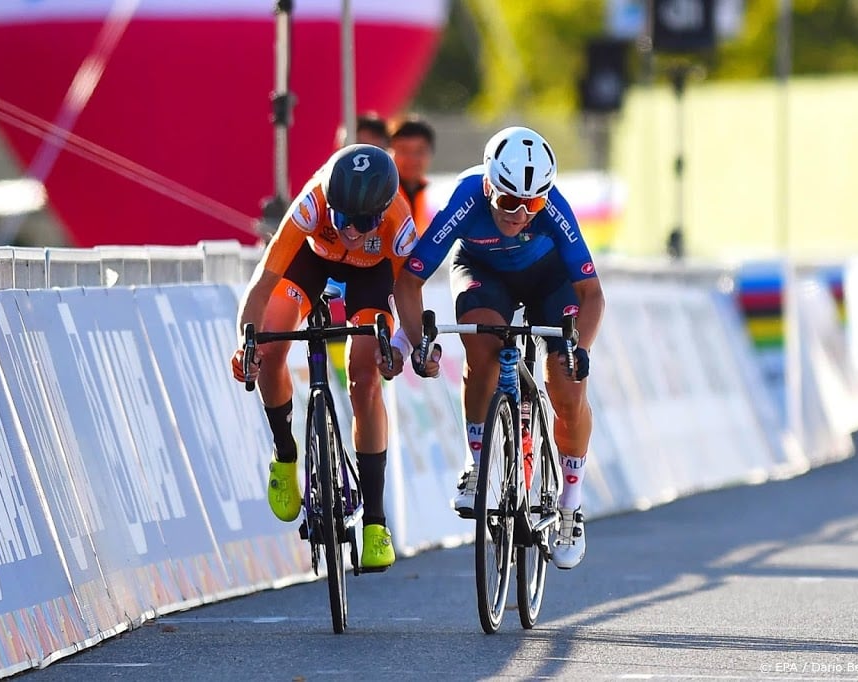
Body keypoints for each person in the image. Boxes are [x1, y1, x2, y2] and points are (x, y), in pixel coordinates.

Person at [390, 126, 604, 570]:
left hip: (549, 280)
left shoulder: (554, 210)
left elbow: (592, 295)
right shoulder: (466, 198)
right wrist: (417, 343)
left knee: (566, 384)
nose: (521, 214)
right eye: (509, 201)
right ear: (490, 185)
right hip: (482, 273)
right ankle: (477, 462)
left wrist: (579, 349)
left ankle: (570, 503)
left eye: (534, 204)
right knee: (482, 345)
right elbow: (409, 281)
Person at [231, 144, 417, 571]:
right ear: (330, 203)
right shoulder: (312, 203)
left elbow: (410, 293)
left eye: (365, 222)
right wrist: (247, 344)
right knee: (272, 344)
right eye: (344, 219)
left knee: (365, 379)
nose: (352, 231)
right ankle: (285, 453)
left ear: (384, 211)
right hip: (310, 262)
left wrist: (409, 346)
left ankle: (374, 522)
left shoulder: (399, 221)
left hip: (372, 275)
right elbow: (263, 283)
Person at [389, 115, 437, 235]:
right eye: (403, 150)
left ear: (431, 154)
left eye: (419, 151)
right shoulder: (380, 194)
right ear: (389, 152)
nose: (411, 159)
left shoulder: (434, 196)